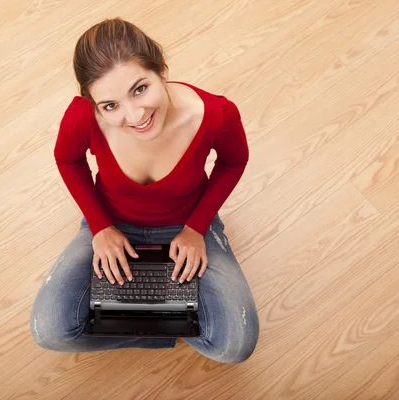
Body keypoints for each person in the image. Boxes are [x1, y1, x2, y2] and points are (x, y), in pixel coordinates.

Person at [30, 17, 259, 364]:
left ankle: (156, 322)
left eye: (140, 89)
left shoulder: (217, 114)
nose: (135, 115)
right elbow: (67, 161)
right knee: (50, 330)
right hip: (112, 222)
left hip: (188, 223)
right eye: (110, 105)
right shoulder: (81, 118)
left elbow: (233, 163)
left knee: (235, 345)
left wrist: (196, 228)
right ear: (93, 104)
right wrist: (100, 227)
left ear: (161, 70)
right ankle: (168, 333)